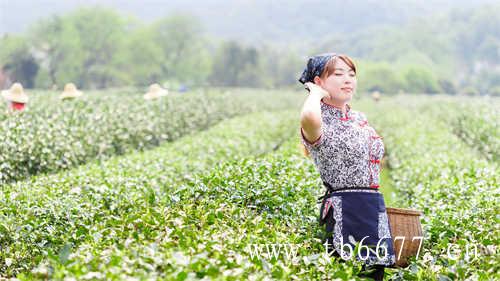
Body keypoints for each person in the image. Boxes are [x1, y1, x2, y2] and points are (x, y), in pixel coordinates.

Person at [299, 53, 396, 280]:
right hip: (344, 211)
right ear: (319, 81)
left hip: (373, 209)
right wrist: (314, 93)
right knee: (347, 274)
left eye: (351, 74)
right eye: (338, 74)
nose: (348, 79)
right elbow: (308, 117)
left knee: (374, 275)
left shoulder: (359, 118)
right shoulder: (319, 120)